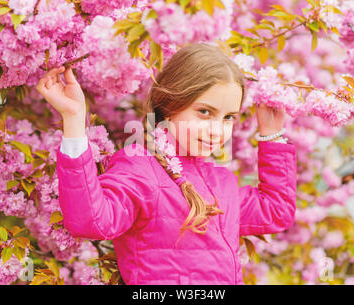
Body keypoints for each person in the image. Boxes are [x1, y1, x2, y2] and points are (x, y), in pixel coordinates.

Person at [35, 42, 297, 285]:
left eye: (228, 117)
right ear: (171, 104)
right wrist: (73, 119)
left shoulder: (222, 182)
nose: (217, 130)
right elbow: (92, 221)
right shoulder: (142, 168)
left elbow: (276, 210)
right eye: (204, 112)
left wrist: (272, 135)